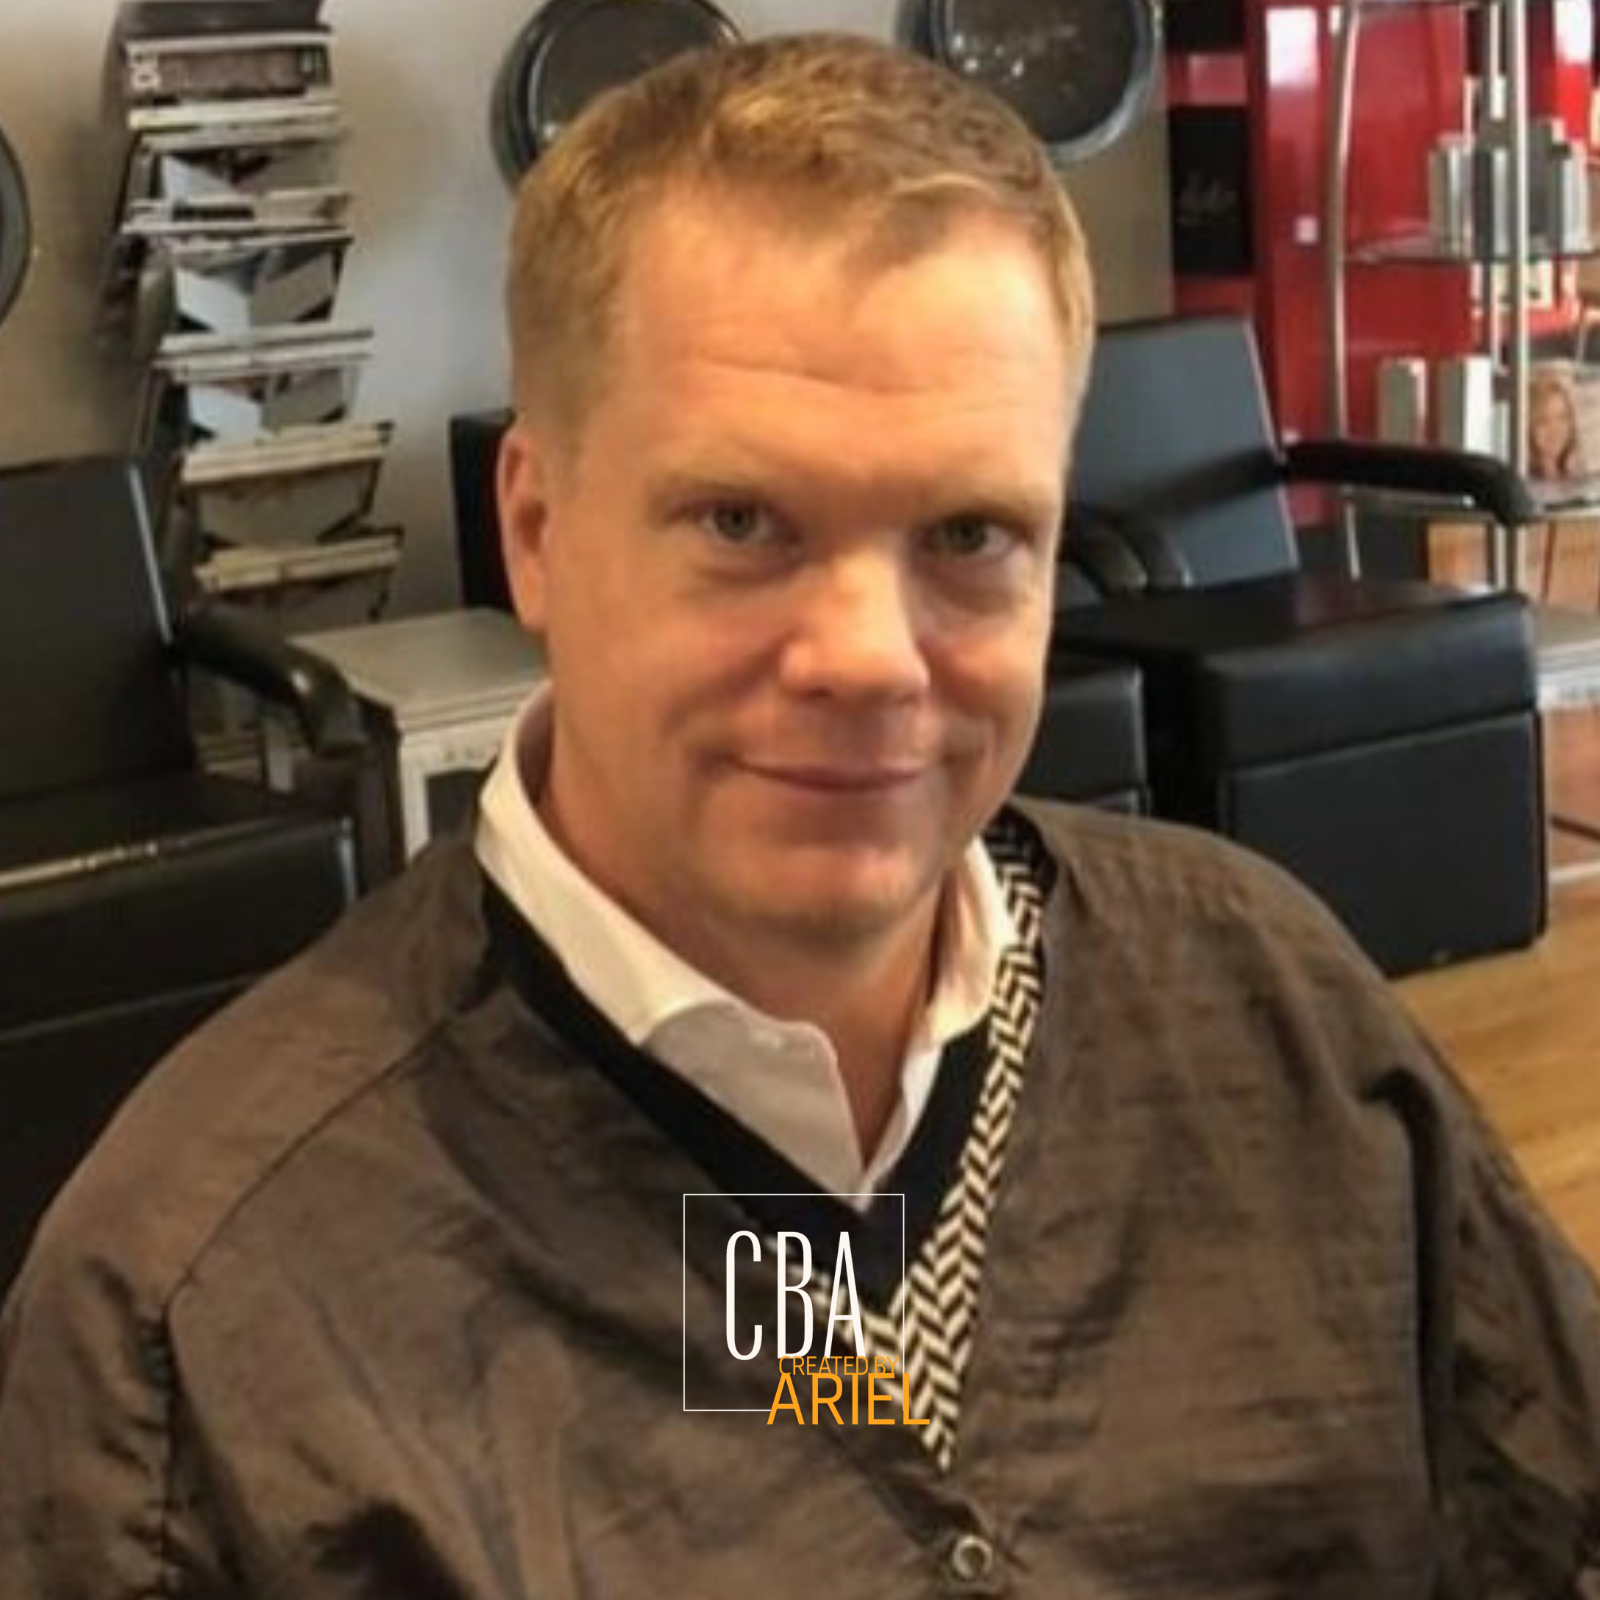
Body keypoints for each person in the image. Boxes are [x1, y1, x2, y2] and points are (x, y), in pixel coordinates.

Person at [3, 31, 1599, 1599]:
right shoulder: (199, 1312)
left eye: (969, 534)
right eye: (741, 520)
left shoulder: (1273, 1016)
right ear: (539, 532)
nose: (866, 658)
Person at [1529, 368, 1583, 480]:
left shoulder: (1572, 476)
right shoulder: (1525, 479)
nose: (1555, 430)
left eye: (1562, 417)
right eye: (1543, 421)